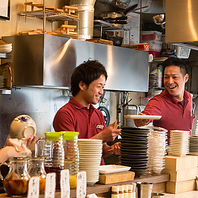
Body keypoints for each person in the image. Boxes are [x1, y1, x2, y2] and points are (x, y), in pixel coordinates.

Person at [53, 60, 121, 164]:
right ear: (82, 85)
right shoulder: (65, 114)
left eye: (103, 87)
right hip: (77, 176)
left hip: (99, 175)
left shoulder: (98, 114)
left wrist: (112, 148)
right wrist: (102, 136)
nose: (101, 92)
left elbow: (102, 150)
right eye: (98, 86)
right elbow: (70, 153)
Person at [134, 57, 195, 144]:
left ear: (185, 78)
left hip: (186, 154)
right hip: (165, 155)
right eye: (166, 77)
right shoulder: (158, 101)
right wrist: (142, 119)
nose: (170, 82)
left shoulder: (188, 97)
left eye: (174, 77)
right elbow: (147, 115)